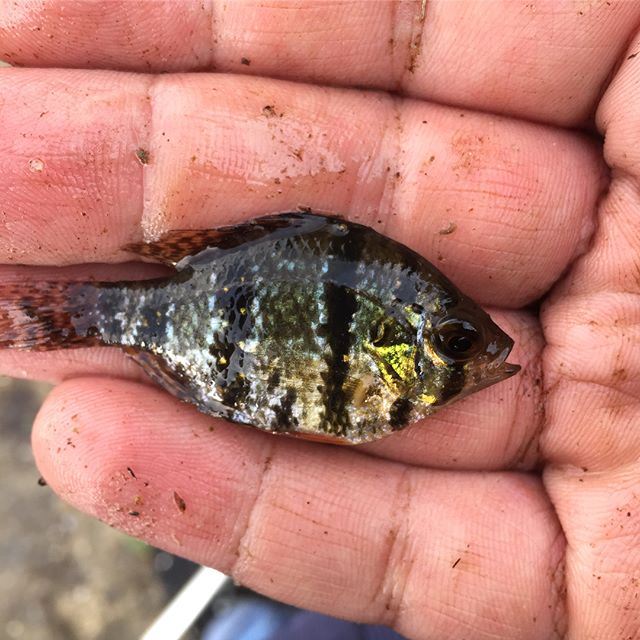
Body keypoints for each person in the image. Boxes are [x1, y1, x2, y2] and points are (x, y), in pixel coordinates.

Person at [0, 2, 638, 638]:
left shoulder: (394, 338)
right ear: (393, 343)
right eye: (456, 341)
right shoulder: (383, 361)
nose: (478, 355)